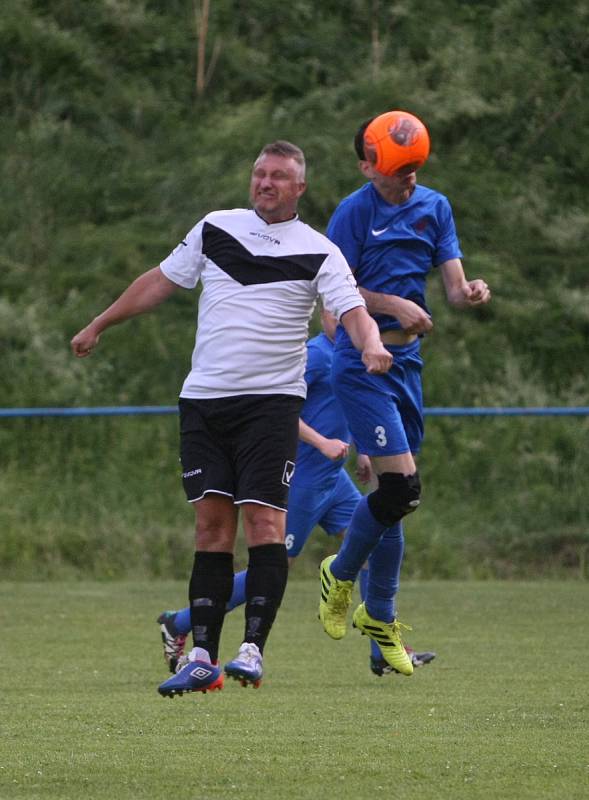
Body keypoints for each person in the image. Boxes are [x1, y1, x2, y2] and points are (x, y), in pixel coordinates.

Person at [71, 140, 392, 697]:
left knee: (264, 526)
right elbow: (161, 280)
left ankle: (252, 651)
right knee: (211, 528)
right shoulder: (216, 227)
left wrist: (372, 344)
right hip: (204, 402)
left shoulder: (319, 250)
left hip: (271, 406)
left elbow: (352, 310)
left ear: (300, 188)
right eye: (259, 174)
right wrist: (99, 323)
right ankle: (200, 656)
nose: (265, 183)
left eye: (278, 177)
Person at [157, 308, 436, 681]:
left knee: (374, 542)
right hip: (303, 477)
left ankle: (381, 649)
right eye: (338, 315)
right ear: (324, 315)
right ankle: (179, 622)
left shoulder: (350, 357)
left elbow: (358, 407)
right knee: (273, 567)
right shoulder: (316, 355)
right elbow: (278, 408)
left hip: (333, 480)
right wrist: (322, 443)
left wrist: (366, 450)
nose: (346, 322)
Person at [318, 112, 491, 676]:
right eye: (396, 172)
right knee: (403, 488)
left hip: (408, 366)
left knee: (396, 505)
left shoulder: (434, 208)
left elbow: (454, 291)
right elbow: (332, 299)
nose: (407, 181)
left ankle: (381, 629)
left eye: (414, 170)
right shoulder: (352, 213)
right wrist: (391, 305)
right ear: (366, 166)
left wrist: (470, 291)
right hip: (361, 363)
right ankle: (340, 576)